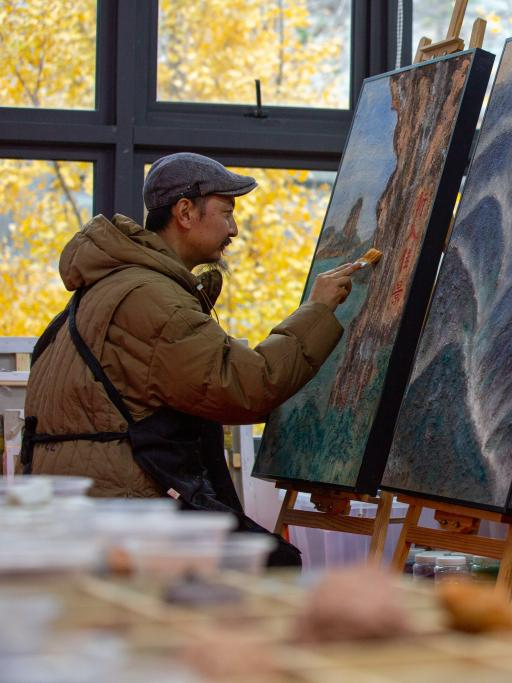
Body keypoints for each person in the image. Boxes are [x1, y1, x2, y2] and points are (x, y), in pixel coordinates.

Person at [21, 152, 360, 565]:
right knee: (274, 568)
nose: (233, 229)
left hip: (94, 510)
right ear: (185, 212)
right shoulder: (150, 299)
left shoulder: (110, 287)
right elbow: (246, 386)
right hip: (124, 516)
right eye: (226, 212)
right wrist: (319, 311)